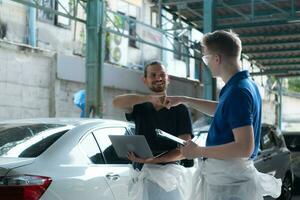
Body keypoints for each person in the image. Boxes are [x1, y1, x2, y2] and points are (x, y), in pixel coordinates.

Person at [163, 30, 282, 200]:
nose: (206, 64)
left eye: (206, 58)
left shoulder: (237, 92)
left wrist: (199, 151)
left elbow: (244, 147)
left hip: (229, 186)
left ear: (217, 59)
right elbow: (225, 110)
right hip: (231, 180)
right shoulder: (245, 85)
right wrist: (185, 99)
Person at [112, 61, 193, 200]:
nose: (158, 78)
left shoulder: (180, 109)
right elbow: (116, 102)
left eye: (162, 74)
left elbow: (185, 151)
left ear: (168, 78)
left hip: (168, 179)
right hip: (141, 175)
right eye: (153, 75)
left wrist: (152, 160)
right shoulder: (140, 106)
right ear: (145, 80)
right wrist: (148, 98)